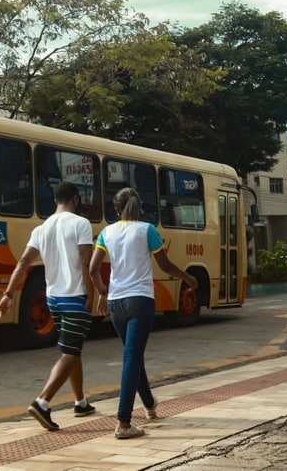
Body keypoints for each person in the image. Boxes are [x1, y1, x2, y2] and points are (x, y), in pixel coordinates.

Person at [89, 187, 198, 439]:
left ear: (116, 210)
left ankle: (149, 405)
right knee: (132, 357)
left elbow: (93, 268)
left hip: (116, 303)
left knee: (133, 355)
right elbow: (166, 265)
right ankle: (124, 422)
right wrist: (188, 278)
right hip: (140, 301)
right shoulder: (148, 230)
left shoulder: (106, 232)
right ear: (138, 206)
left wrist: (103, 292)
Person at [0, 181, 95, 431]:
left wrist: (8, 294)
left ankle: (80, 402)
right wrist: (92, 294)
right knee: (70, 351)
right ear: (76, 199)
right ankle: (42, 402)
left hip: (53, 298)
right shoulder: (80, 224)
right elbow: (86, 262)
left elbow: (23, 262)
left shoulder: (42, 228)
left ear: (55, 200)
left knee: (72, 348)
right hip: (75, 296)